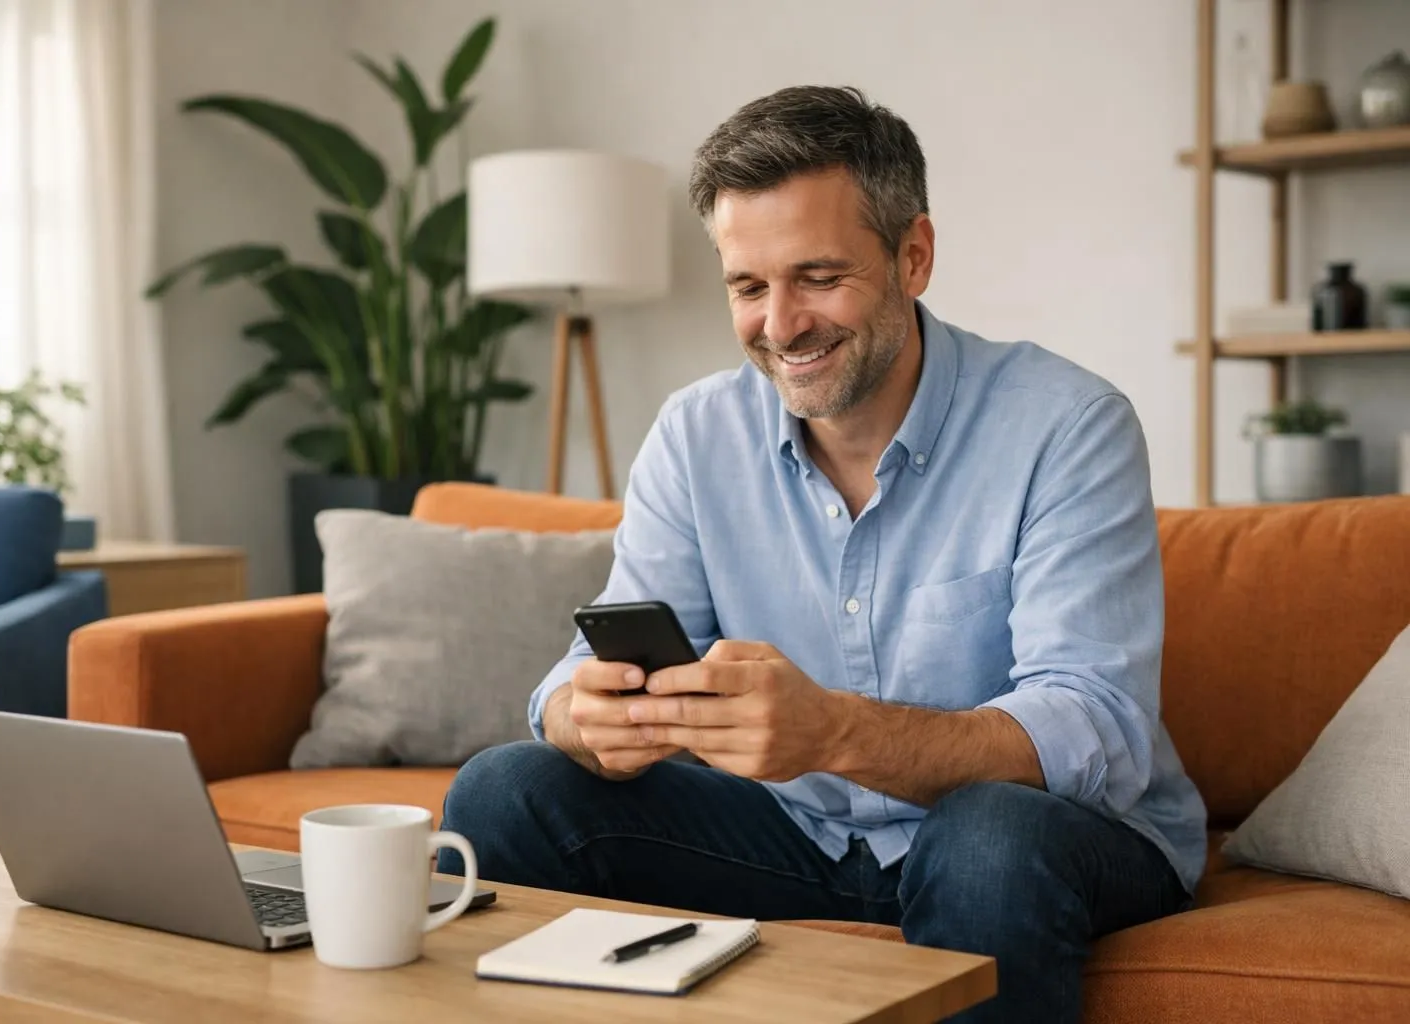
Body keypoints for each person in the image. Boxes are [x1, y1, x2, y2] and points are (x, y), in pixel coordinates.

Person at [439, 85, 1206, 1024]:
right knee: (506, 789)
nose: (782, 324)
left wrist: (833, 733)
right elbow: (586, 671)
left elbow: (1096, 728)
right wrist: (583, 716)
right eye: (749, 287)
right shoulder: (693, 436)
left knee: (986, 839)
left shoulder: (1067, 426)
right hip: (795, 833)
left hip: (1046, 840)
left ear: (913, 256)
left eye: (818, 277)